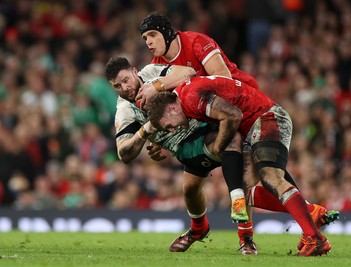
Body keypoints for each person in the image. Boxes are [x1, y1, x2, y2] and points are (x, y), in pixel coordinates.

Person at [147, 75, 333, 256]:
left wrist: (219, 146)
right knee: (247, 193)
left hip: (267, 119)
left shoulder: (191, 97)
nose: (172, 129)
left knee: (271, 177)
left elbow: (234, 115)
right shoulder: (186, 97)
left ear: (172, 109)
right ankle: (311, 215)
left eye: (169, 125)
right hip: (253, 128)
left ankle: (315, 239)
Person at [104, 57, 253, 254]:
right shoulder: (125, 110)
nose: (124, 88)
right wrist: (146, 130)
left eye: (125, 80)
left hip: (202, 124)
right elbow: (124, 153)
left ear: (134, 71)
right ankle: (200, 229)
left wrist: (156, 86)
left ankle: (246, 237)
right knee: (191, 190)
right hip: (185, 147)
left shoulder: (151, 72)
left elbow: (188, 72)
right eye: (117, 86)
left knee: (234, 143)